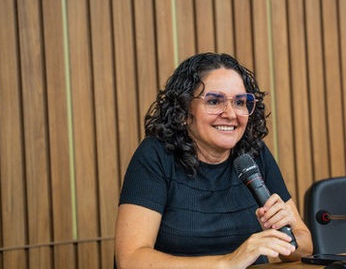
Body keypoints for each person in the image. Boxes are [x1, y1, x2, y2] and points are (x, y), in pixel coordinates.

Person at [114, 52, 313, 268]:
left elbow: (305, 246)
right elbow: (131, 259)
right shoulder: (156, 156)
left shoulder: (253, 154)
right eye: (214, 101)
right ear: (183, 111)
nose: (230, 113)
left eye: (239, 102)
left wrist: (287, 234)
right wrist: (227, 263)